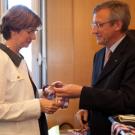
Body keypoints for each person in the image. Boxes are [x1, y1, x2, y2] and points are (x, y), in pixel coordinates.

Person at [53, 1, 135, 135]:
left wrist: (82, 92)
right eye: (93, 24)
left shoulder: (132, 52)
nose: (93, 31)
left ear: (117, 25)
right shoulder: (99, 55)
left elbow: (127, 100)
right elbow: (101, 91)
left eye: (99, 25)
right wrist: (88, 110)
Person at [0, 5, 60, 135]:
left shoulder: (19, 58)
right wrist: (38, 106)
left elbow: (19, 96)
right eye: (30, 31)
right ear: (14, 30)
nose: (33, 37)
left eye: (35, 32)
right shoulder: (1, 59)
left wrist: (43, 93)